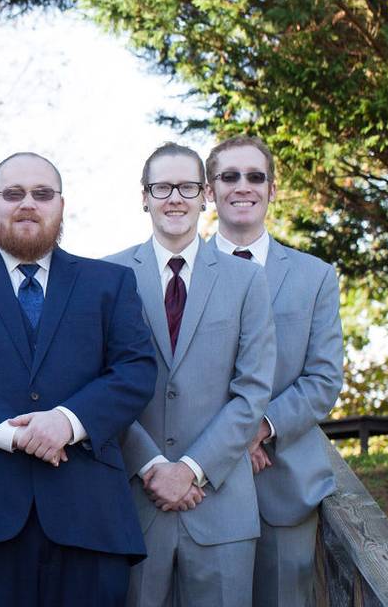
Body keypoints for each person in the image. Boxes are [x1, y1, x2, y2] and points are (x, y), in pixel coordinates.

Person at [0, 152, 156, 607]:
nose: (27, 204)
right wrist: (15, 436)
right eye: (13, 194)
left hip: (90, 518)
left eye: (42, 194)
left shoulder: (111, 283)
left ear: (61, 205)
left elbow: (135, 370)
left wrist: (67, 421)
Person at [106, 142, 276, 607]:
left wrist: (193, 470)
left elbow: (252, 391)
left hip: (220, 505)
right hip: (133, 501)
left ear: (204, 195)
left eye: (186, 186)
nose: (174, 198)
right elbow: (98, 385)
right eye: (162, 187)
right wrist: (153, 466)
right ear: (144, 196)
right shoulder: (107, 275)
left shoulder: (246, 280)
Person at [206, 136, 343, 607]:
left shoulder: (315, 276)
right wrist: (228, 440)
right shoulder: (183, 274)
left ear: (272, 189)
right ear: (209, 190)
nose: (242, 187)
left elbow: (323, 379)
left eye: (255, 176)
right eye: (229, 176)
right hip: (201, 483)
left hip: (284, 484)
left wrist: (259, 430)